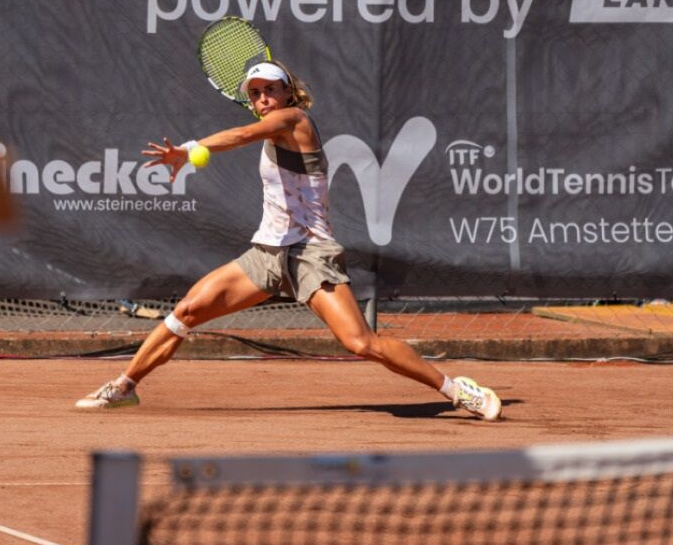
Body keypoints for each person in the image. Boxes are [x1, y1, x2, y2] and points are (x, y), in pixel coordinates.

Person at [76, 61, 502, 420]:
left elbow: (242, 136)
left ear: (289, 94)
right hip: (267, 252)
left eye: (271, 90)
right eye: (256, 93)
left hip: (311, 254)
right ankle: (124, 386)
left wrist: (189, 150)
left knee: (359, 343)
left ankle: (456, 389)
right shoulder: (271, 120)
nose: (263, 99)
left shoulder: (294, 121)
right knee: (187, 310)